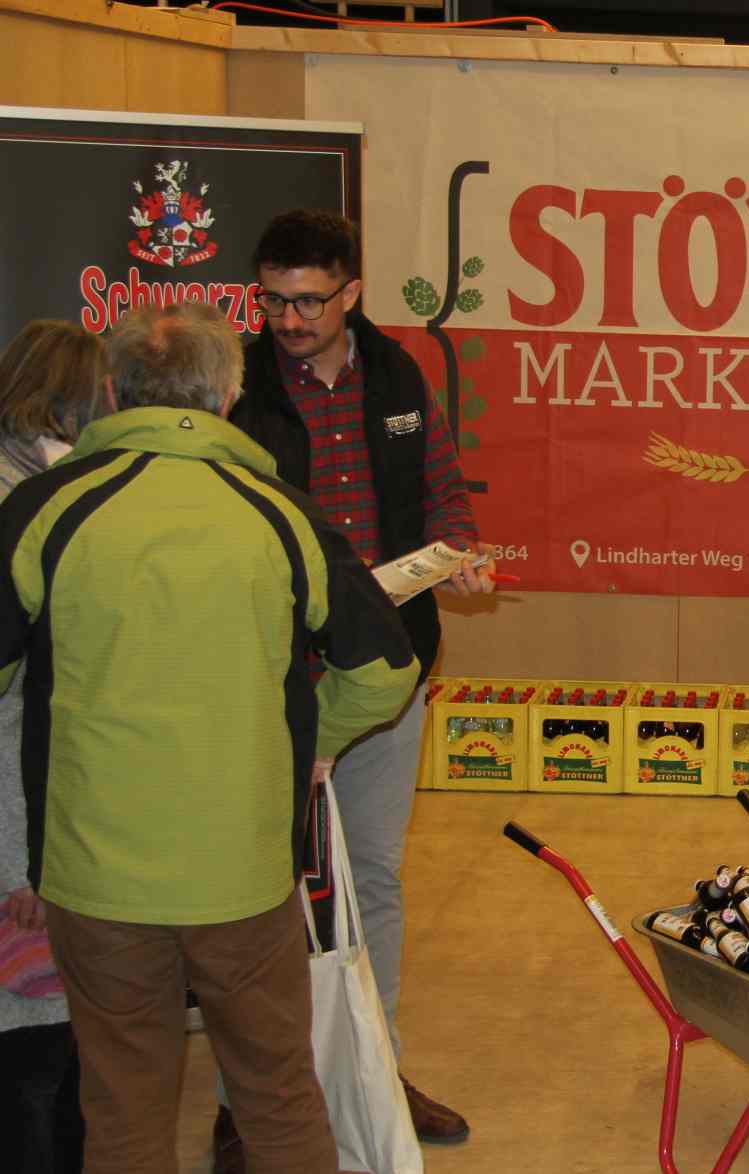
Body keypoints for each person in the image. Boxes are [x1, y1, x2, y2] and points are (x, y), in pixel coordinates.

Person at [0, 303, 421, 1173]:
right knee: (277, 1094)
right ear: (229, 396)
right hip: (243, 872)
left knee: (123, 1104)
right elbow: (386, 666)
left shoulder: (46, 507)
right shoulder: (282, 513)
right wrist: (309, 746)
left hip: (93, 871)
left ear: (111, 393)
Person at [221, 208, 493, 1168]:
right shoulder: (236, 386)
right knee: (257, 890)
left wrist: (457, 551)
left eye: (308, 301)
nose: (289, 321)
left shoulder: (397, 375)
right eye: (273, 301)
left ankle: (378, 1069)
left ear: (352, 293)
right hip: (270, 678)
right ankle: (249, 1100)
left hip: (385, 671)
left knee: (372, 875)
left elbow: (441, 487)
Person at [0, 320, 106, 1174]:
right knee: (38, 1067)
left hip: (44, 828)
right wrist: (22, 865)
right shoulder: (31, 507)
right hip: (26, 841)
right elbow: (12, 715)